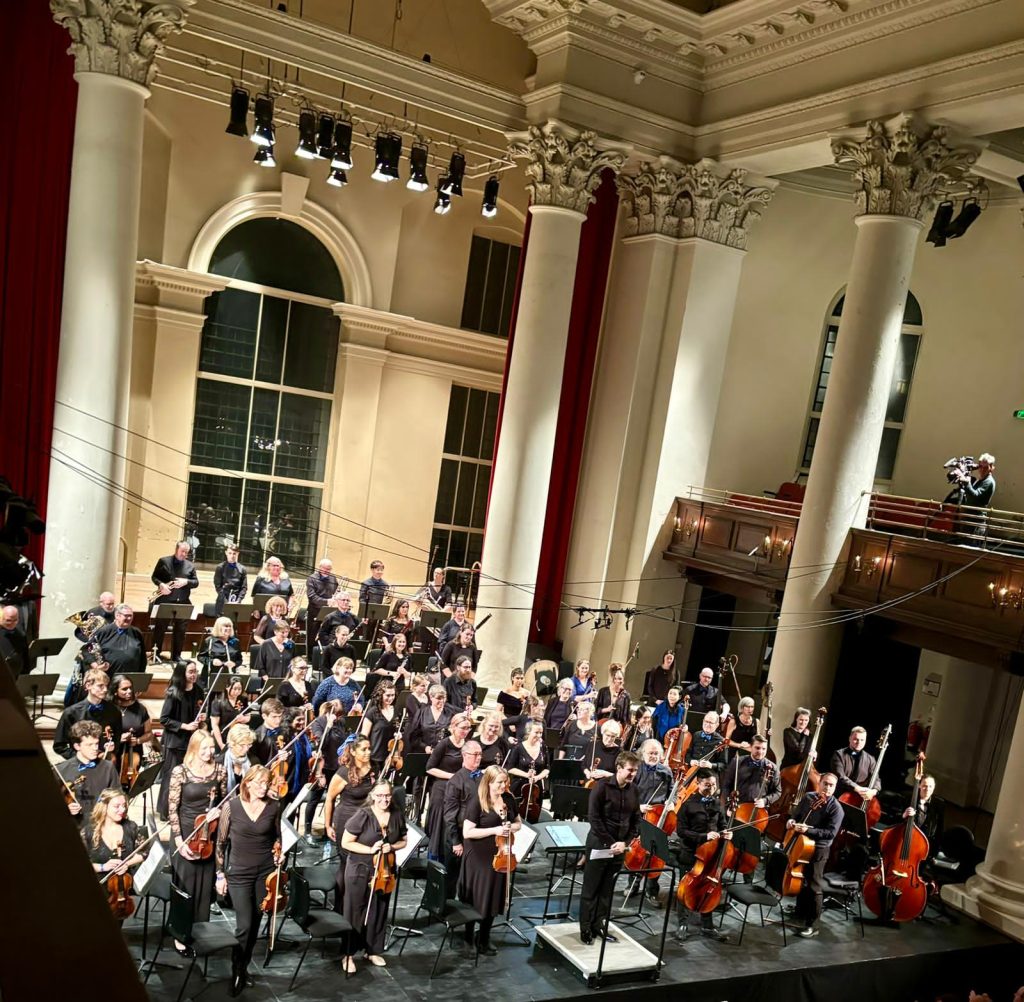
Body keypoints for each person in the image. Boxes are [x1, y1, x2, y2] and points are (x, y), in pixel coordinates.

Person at [215, 765, 282, 995]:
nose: (264, 787)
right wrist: (220, 874)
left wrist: (278, 850)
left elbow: (277, 836)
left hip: (264, 873)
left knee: (255, 923)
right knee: (244, 925)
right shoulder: (231, 807)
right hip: (239, 873)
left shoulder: (274, 807)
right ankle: (236, 970)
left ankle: (244, 967)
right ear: (248, 783)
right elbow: (221, 844)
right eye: (260, 783)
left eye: (267, 783)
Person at [341, 780, 408, 972]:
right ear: (372, 796)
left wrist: (392, 846)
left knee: (379, 909)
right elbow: (346, 842)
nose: (384, 799)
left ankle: (372, 950)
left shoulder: (396, 815)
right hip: (359, 869)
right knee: (355, 911)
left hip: (384, 871)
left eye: (387, 795)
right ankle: (347, 955)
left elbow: (403, 841)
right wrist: (371, 849)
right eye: (380, 796)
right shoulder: (363, 815)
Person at [168, 731, 226, 944]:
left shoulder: (219, 770)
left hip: (208, 834)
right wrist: (178, 841)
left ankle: (200, 931)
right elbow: (172, 809)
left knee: (203, 888)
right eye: (204, 748)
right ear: (193, 748)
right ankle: (179, 932)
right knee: (185, 887)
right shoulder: (180, 772)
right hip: (184, 833)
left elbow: (224, 801)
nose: (210, 752)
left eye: (212, 748)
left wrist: (217, 811)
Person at [579, 751, 640, 945]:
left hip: (620, 847)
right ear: (619, 768)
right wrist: (610, 842)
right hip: (600, 844)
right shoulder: (602, 787)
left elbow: (636, 819)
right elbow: (594, 819)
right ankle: (585, 927)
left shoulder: (634, 790)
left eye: (636, 771)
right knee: (591, 888)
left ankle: (599, 924)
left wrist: (626, 842)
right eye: (630, 770)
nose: (633, 774)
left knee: (607, 889)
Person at [459, 766, 522, 955]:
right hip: (478, 857)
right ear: (489, 782)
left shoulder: (509, 800)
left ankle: (484, 937)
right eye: (499, 782)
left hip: (501, 855)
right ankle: (468, 938)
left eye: (505, 782)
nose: (503, 786)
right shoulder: (477, 802)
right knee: (476, 898)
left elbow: (519, 823)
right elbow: (467, 832)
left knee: (494, 896)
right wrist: (494, 830)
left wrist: (511, 827)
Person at [674, 769, 730, 942]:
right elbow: (681, 831)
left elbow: (722, 824)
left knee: (708, 887)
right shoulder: (688, 805)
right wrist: (703, 837)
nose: (711, 789)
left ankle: (707, 926)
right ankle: (682, 924)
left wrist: (726, 833)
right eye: (707, 785)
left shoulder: (716, 803)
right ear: (698, 784)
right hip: (691, 852)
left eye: (714, 785)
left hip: (711, 854)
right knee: (685, 888)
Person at [324, 736, 376, 915]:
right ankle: (342, 907)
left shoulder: (374, 769)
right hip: (345, 820)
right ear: (353, 752)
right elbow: (330, 798)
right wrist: (327, 825)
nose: (368, 752)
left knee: (362, 863)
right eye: (363, 749)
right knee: (347, 863)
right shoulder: (343, 773)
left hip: (366, 821)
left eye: (369, 748)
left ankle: (357, 904)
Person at [787, 772, 843, 938]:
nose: (827, 787)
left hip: (818, 849)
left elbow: (830, 833)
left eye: (831, 785)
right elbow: (796, 815)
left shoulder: (836, 808)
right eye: (825, 783)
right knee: (801, 879)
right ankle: (799, 912)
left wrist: (809, 830)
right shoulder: (809, 797)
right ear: (819, 783)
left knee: (814, 885)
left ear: (835, 788)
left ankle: (813, 924)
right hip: (801, 844)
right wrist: (791, 821)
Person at [722, 734, 781, 879]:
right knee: (728, 843)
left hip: (756, 814)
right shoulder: (738, 762)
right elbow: (726, 786)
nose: (760, 751)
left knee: (751, 847)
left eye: (763, 749)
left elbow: (778, 792)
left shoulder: (772, 768)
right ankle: (719, 873)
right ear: (750, 747)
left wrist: (765, 801)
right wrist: (727, 807)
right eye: (757, 748)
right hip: (736, 810)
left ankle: (748, 882)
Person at [84, 788, 145, 922]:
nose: (122, 810)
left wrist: (127, 863)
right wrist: (102, 867)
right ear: (104, 807)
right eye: (117, 806)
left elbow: (143, 853)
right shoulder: (89, 832)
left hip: (120, 892)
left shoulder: (131, 827)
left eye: (124, 805)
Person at [158, 661, 207, 817]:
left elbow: (199, 710)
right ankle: (166, 811)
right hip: (175, 742)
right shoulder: (173, 693)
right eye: (190, 672)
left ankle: (181, 808)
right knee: (171, 777)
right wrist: (185, 726)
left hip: (191, 741)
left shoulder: (199, 691)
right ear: (182, 673)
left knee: (187, 777)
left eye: (195, 671)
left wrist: (202, 717)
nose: (194, 675)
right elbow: (164, 719)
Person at [425, 712, 474, 858]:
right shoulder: (444, 744)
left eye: (468, 728)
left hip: (459, 791)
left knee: (453, 825)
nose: (466, 731)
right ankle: (434, 859)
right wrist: (453, 777)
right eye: (463, 728)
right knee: (440, 826)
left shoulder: (467, 745)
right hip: (442, 789)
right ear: (453, 727)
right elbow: (429, 768)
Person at [56, 720, 120, 827]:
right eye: (89, 745)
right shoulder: (61, 770)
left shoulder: (108, 767)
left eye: (96, 743)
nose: (95, 748)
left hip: (101, 827)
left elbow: (118, 797)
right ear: (77, 746)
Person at [441, 740, 483, 898]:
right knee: (452, 877)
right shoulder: (455, 781)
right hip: (458, 836)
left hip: (474, 834)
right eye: (475, 754)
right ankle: (447, 908)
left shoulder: (482, 777)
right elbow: (450, 815)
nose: (478, 758)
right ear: (465, 755)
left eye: (480, 754)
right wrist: (455, 842)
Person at [53, 667, 122, 759]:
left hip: (105, 762)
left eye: (106, 686)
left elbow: (117, 738)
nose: (105, 690)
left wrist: (111, 750)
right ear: (88, 685)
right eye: (100, 686)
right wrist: (81, 757)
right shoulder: (71, 713)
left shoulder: (114, 711)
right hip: (80, 764)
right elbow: (60, 746)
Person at [303, 700, 345, 841]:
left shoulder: (340, 722)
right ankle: (307, 831)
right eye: (338, 713)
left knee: (332, 798)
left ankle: (329, 828)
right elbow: (321, 744)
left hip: (336, 765)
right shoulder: (318, 722)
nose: (339, 717)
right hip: (322, 766)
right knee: (314, 799)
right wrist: (328, 727)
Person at [150, 541, 199, 660]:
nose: (184, 554)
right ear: (176, 549)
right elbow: (154, 577)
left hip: (183, 601)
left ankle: (176, 655)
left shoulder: (190, 566)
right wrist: (161, 585)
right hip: (165, 600)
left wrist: (186, 582)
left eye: (186, 552)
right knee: (160, 629)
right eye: (182, 551)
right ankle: (156, 654)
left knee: (180, 631)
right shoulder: (164, 561)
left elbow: (196, 583)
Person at [111, 673, 153, 768]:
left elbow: (149, 733)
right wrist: (118, 739)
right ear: (115, 691)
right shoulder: (109, 709)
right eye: (124, 689)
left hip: (134, 755)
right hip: (113, 754)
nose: (129, 691)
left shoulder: (141, 709)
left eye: (130, 688)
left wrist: (138, 740)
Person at [91, 604, 146, 674]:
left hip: (130, 679)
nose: (129, 618)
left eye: (130, 616)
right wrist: (95, 666)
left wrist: (141, 674)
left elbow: (143, 658)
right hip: (108, 677)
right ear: (117, 616)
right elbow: (87, 650)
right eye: (126, 615)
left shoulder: (137, 633)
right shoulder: (104, 631)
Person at [829, 726, 879, 802]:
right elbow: (840, 776)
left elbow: (876, 778)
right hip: (839, 795)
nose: (859, 742)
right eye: (856, 739)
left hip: (860, 798)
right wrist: (858, 788)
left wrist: (873, 791)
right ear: (849, 738)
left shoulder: (871, 759)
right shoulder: (838, 755)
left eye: (862, 740)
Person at [361, 681, 399, 776]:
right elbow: (363, 736)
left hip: (390, 757)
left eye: (393, 695)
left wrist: (399, 734)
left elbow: (398, 729)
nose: (390, 698)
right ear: (380, 695)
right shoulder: (372, 712)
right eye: (388, 695)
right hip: (374, 758)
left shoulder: (396, 711)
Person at [507, 720, 549, 802]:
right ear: (529, 731)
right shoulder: (518, 747)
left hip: (536, 789)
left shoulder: (543, 747)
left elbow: (547, 768)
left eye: (541, 733)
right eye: (536, 732)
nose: (539, 735)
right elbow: (510, 768)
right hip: (519, 786)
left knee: (534, 813)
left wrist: (537, 777)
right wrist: (527, 775)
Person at [406, 685, 453, 755]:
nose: (442, 701)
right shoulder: (421, 713)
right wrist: (425, 747)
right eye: (439, 698)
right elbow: (414, 737)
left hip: (443, 754)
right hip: (423, 754)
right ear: (431, 697)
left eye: (444, 698)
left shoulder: (450, 714)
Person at [197, 615, 243, 686]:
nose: (228, 628)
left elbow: (239, 659)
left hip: (229, 677)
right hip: (211, 675)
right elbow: (200, 657)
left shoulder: (235, 641)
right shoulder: (209, 641)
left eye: (230, 626)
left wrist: (234, 664)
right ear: (218, 627)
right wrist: (212, 661)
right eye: (226, 626)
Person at [211, 677, 254, 751]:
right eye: (234, 689)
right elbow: (215, 725)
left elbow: (248, 716)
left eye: (239, 689)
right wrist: (221, 744)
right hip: (222, 735)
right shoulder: (218, 702)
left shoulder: (243, 699)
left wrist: (244, 719)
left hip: (238, 736)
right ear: (227, 687)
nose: (237, 691)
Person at [906, 774, 945, 851]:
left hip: (927, 845)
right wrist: (904, 815)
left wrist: (935, 850)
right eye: (925, 785)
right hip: (908, 841)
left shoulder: (940, 804)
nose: (927, 789)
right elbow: (897, 820)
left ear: (934, 788)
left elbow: (939, 829)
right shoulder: (908, 798)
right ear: (919, 785)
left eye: (930, 786)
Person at [305, 557, 339, 646]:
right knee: (312, 635)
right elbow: (312, 597)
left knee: (326, 634)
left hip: (329, 612)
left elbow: (336, 592)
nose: (327, 571)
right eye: (325, 568)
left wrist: (336, 599)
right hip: (315, 611)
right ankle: (311, 657)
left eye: (329, 569)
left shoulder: (333, 578)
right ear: (320, 567)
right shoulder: (311, 579)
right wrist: (327, 601)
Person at [250, 620, 294, 687]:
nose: (285, 635)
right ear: (275, 632)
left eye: (287, 632)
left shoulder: (291, 644)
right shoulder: (266, 644)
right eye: (282, 632)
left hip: (287, 681)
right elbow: (260, 665)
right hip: (268, 680)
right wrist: (267, 679)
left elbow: (295, 663)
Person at [371, 630, 412, 695]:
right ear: (394, 643)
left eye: (404, 642)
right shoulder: (388, 654)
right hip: (387, 685)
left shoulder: (408, 656)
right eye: (400, 642)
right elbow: (376, 670)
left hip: (400, 686)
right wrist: (391, 673)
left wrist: (404, 672)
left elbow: (409, 674)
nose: (402, 644)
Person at [213, 544, 248, 617]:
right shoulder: (220, 567)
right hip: (222, 601)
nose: (232, 556)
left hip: (236, 602)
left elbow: (244, 588)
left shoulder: (242, 569)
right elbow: (218, 587)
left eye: (234, 553)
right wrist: (226, 602)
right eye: (230, 553)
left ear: (238, 554)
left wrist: (238, 600)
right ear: (226, 553)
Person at [250, 698, 286, 766]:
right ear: (264, 716)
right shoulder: (257, 736)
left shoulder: (284, 731)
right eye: (274, 717)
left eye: (280, 716)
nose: (278, 720)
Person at [223, 724, 255, 793]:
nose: (246, 749)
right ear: (231, 744)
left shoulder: (254, 761)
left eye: (249, 744)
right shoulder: (220, 763)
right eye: (242, 745)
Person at [0, 605, 29, 678]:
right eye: (8, 620)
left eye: (15, 620)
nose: (12, 623)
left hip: (16, 675)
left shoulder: (20, 634)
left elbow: (25, 656)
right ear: (1, 619)